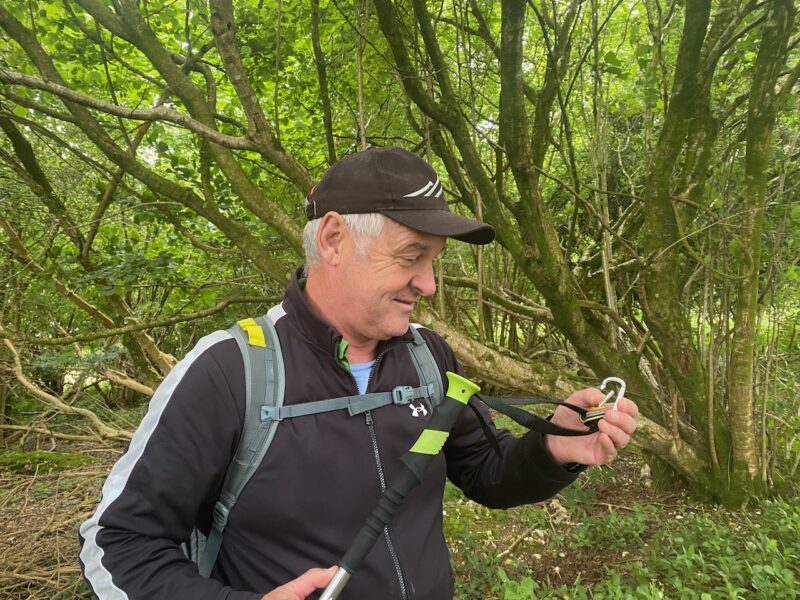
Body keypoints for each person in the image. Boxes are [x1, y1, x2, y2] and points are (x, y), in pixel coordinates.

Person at [79, 147, 638, 600]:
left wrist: (555, 450)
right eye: (409, 256)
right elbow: (118, 543)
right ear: (333, 239)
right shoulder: (231, 373)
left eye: (434, 261)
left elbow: (487, 472)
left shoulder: (429, 359)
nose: (429, 284)